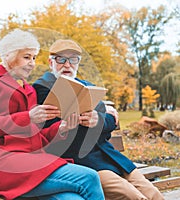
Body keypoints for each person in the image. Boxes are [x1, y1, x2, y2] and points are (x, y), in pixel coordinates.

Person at [0, 29, 105, 200]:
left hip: (34, 163)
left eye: (34, 58)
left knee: (72, 199)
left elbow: (36, 138)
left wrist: (61, 128)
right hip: (6, 166)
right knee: (90, 177)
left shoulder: (29, 89)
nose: (32, 63)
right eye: (27, 57)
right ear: (9, 56)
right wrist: (28, 117)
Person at [33, 39, 164, 200]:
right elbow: (65, 127)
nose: (67, 65)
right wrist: (100, 114)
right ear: (50, 62)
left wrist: (97, 120)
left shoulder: (87, 86)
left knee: (154, 194)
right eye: (61, 59)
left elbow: (111, 121)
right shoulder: (42, 87)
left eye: (73, 60)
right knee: (135, 197)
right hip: (81, 162)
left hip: (110, 156)